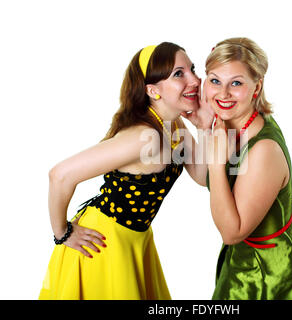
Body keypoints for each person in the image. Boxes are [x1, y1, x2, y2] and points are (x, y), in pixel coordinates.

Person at [39, 42, 213, 300]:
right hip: (102, 244)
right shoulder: (144, 137)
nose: (195, 80)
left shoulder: (173, 125)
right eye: (179, 74)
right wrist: (62, 233)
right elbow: (60, 175)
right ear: (153, 90)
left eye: (192, 70)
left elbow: (203, 177)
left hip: (136, 241)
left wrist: (206, 127)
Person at [204, 37, 292, 299]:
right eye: (215, 81)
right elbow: (213, 182)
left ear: (256, 87)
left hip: (272, 269)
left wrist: (215, 163)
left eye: (236, 83)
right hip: (247, 256)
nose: (222, 93)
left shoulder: (264, 152)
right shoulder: (235, 122)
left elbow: (231, 232)